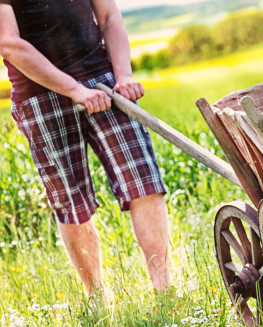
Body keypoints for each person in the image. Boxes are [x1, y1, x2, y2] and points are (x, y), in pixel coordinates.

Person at [0, 0, 171, 294]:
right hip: (39, 95)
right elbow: (9, 43)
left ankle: (165, 290)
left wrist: (124, 75)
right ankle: (96, 298)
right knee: (71, 201)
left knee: (143, 182)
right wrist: (75, 90)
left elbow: (109, 16)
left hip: (105, 82)